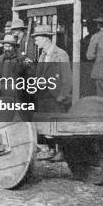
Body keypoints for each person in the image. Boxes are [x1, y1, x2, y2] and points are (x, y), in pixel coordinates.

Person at [33, 24, 72, 161]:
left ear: (45, 39)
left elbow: (67, 76)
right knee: (45, 121)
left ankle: (61, 151)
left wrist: (63, 94)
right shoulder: (42, 55)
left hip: (55, 95)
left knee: (57, 122)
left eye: (37, 39)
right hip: (43, 94)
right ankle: (50, 150)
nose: (35, 42)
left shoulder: (61, 54)